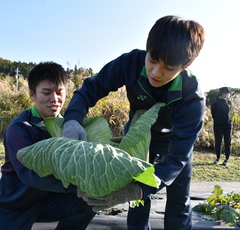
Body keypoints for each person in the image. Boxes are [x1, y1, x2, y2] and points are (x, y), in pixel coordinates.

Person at [62, 15, 205, 230]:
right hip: (137, 139)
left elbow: (177, 158)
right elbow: (91, 88)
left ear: (187, 64)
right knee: (138, 205)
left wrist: (138, 189)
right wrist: (72, 119)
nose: (156, 72)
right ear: (147, 49)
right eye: (153, 60)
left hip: (173, 145)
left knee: (178, 200)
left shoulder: (192, 97)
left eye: (168, 67)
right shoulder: (129, 62)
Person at [0, 62, 95, 230]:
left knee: (89, 200)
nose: (54, 99)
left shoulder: (68, 127)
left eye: (60, 93)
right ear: (32, 95)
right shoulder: (20, 128)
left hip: (48, 199)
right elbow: (30, 175)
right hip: (15, 203)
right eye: (46, 93)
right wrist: (79, 186)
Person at [211, 87, 232, 166]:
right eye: (226, 93)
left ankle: (227, 159)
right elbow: (213, 113)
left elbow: (229, 113)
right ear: (222, 93)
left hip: (228, 125)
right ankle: (218, 158)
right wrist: (217, 120)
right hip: (218, 125)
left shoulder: (229, 102)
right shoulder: (215, 103)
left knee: (228, 142)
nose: (227, 94)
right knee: (218, 141)